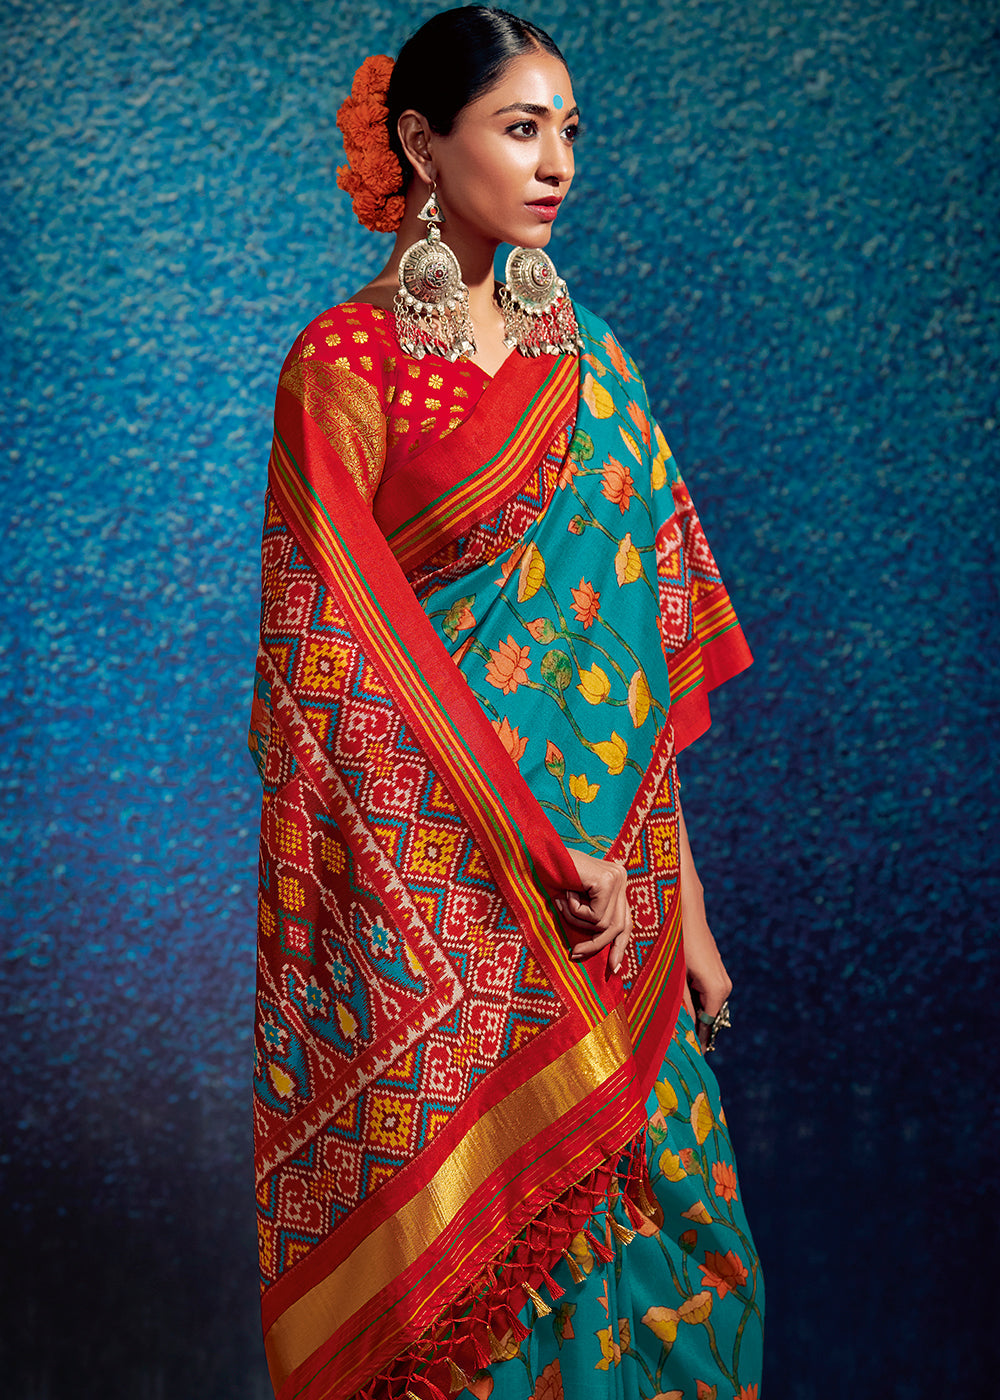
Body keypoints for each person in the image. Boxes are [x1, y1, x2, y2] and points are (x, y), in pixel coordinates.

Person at [248, 8, 763, 1399]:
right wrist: (530, 847)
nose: (557, 165)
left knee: (676, 1265)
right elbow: (330, 679)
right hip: (452, 917)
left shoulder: (598, 362)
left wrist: (685, 904)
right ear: (423, 143)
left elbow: (641, 664)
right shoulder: (342, 368)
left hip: (617, 905)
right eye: (520, 128)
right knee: (476, 1308)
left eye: (568, 132)